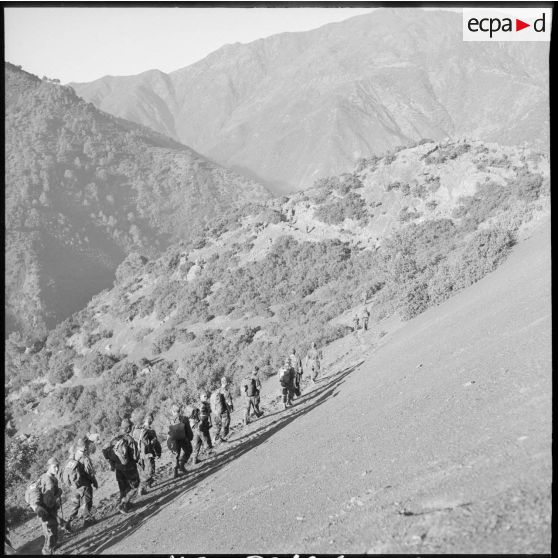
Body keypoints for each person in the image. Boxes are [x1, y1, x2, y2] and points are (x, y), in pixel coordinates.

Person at [26, 457, 64, 555]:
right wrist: (58, 494)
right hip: (45, 510)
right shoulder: (49, 481)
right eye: (55, 467)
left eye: (58, 466)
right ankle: (47, 551)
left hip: (47, 509)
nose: (57, 469)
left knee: (53, 528)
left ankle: (53, 545)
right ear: (49, 467)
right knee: (50, 531)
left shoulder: (46, 476)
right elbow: (48, 502)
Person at [102, 418, 140, 513]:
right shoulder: (129, 439)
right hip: (129, 467)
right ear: (128, 429)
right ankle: (124, 503)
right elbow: (135, 456)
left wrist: (113, 464)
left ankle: (125, 504)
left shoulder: (113, 439)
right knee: (135, 485)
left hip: (118, 468)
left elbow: (107, 453)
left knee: (123, 487)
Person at [64, 437, 97, 529]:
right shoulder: (84, 458)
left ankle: (67, 522)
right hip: (84, 485)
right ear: (85, 445)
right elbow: (89, 472)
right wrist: (94, 482)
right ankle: (87, 520)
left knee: (75, 504)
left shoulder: (72, 456)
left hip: (74, 486)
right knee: (87, 501)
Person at [132, 413, 162, 494]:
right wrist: (158, 452)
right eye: (151, 419)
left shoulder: (136, 429)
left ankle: (148, 484)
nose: (151, 420)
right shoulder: (150, 431)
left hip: (138, 455)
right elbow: (155, 444)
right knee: (150, 472)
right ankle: (141, 488)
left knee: (143, 472)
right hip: (147, 455)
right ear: (151, 420)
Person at [166, 403, 194, 478]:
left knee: (175, 455)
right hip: (184, 439)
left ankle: (175, 472)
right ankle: (182, 465)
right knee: (188, 451)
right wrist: (190, 437)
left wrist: (169, 443)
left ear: (172, 411)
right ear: (180, 411)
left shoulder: (169, 421)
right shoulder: (184, 418)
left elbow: (168, 433)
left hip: (174, 441)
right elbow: (188, 430)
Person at [191, 394, 214, 464]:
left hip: (196, 427)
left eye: (206, 396)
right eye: (204, 396)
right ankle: (211, 457)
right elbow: (204, 417)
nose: (206, 397)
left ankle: (194, 460)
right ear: (200, 397)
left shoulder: (199, 404)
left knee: (197, 443)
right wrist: (206, 425)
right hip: (202, 426)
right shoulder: (202, 405)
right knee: (206, 441)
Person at [212, 377, 233, 443]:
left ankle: (215, 438)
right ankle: (220, 439)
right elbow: (229, 401)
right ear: (227, 383)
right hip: (224, 411)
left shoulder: (217, 390)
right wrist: (231, 407)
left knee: (218, 426)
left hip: (216, 412)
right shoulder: (226, 391)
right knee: (226, 425)